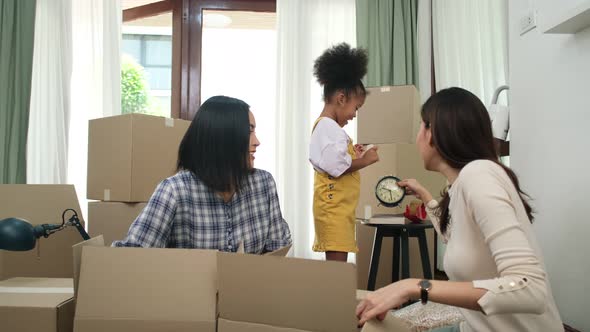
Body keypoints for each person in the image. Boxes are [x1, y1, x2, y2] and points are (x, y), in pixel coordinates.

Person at [356, 87, 563, 331]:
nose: (417, 137)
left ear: (434, 132)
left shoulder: (479, 175)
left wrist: (414, 286)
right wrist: (424, 195)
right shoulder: (463, 183)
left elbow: (530, 288)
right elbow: (456, 238)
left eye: (422, 125)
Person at [113, 96, 292, 253]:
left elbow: (278, 247)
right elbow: (131, 258)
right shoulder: (174, 191)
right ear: (223, 139)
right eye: (249, 131)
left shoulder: (263, 184)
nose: (257, 142)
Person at [309, 43, 379, 262]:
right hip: (334, 210)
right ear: (341, 98)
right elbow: (338, 168)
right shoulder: (328, 126)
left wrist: (354, 155)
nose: (354, 115)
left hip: (339, 209)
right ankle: (334, 296)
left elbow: (336, 161)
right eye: (355, 108)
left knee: (337, 264)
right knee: (336, 268)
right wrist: (365, 161)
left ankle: (334, 294)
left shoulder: (329, 128)